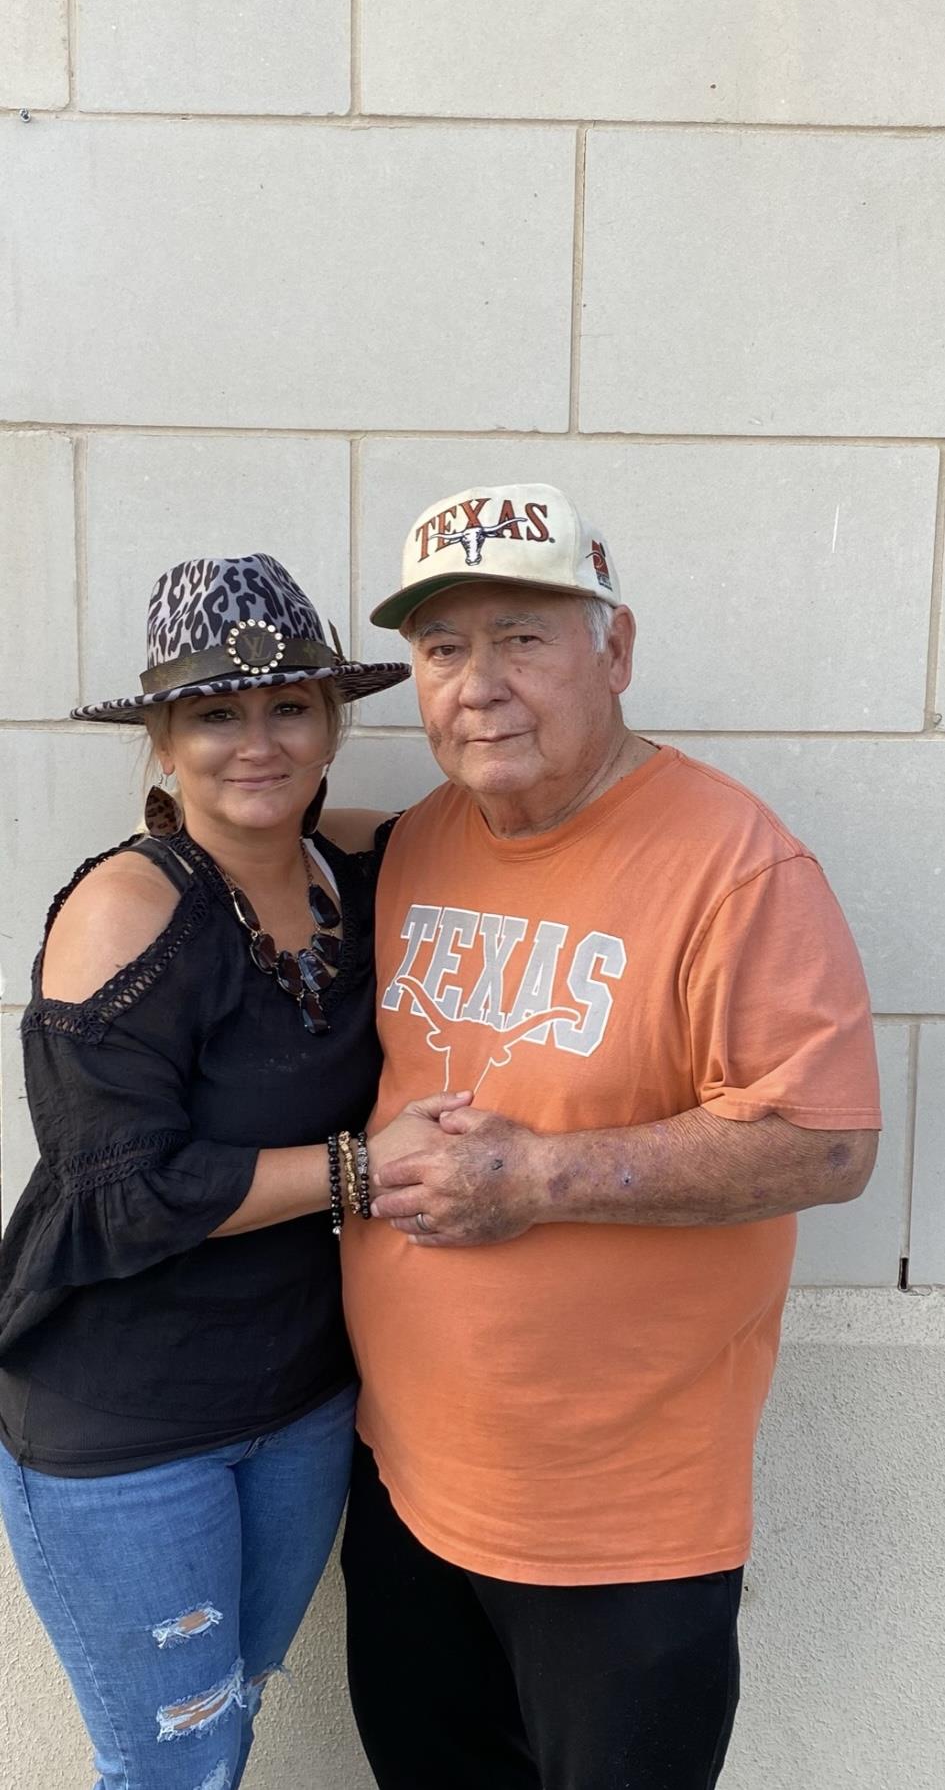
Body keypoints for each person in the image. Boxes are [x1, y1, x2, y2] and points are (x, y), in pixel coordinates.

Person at [340, 484, 882, 1790]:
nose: (478, 685)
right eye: (443, 648)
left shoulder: (732, 866)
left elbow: (823, 1141)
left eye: (522, 637)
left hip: (618, 1533)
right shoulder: (423, 839)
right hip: (406, 1483)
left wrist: (533, 1176)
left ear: (615, 650)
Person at [0, 552, 465, 1790]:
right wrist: (362, 1172)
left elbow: (503, 831)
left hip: (301, 1405)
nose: (255, 742)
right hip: (128, 1427)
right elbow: (120, 1190)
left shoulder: (353, 872)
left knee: (228, 1725)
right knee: (173, 1766)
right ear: (163, 742)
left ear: (330, 726)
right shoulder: (129, 909)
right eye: (214, 714)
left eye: (288, 708)